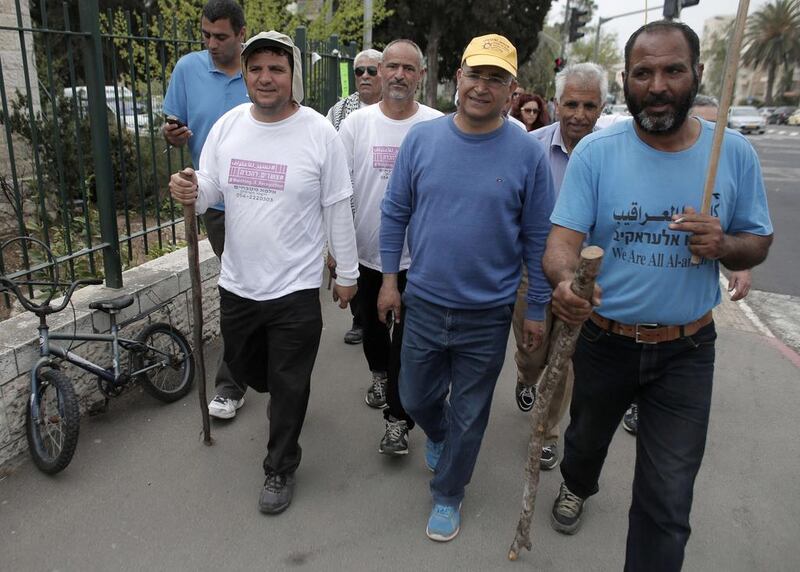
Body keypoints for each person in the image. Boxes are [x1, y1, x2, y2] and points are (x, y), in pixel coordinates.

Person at [544, 21, 773, 570]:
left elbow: (757, 242)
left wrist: (724, 244)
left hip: (687, 352)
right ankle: (577, 483)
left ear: (697, 73)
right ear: (626, 80)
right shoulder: (596, 153)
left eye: (673, 70)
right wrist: (562, 284)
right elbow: (561, 244)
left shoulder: (733, 153)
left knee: (669, 498)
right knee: (585, 443)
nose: (659, 84)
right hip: (604, 340)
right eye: (643, 73)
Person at [168, 31, 359, 515]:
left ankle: (280, 466)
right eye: (256, 69)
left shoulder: (319, 133)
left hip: (295, 287)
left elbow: (337, 205)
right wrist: (192, 188)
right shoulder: (229, 127)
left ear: (292, 75)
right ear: (246, 75)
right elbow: (212, 187)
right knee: (251, 368)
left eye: (276, 68)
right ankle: (277, 396)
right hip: (238, 283)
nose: (265, 78)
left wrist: (347, 272)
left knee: (290, 382)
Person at [379, 33, 555, 542]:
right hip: (425, 302)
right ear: (458, 78)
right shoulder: (422, 139)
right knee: (413, 395)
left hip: (488, 313)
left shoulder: (526, 154)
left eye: (496, 78)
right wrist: (389, 281)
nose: (483, 86)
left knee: (472, 411)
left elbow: (537, 238)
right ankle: (439, 433)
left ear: (512, 89)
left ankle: (449, 493)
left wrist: (537, 310)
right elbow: (395, 213)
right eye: (475, 74)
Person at [621, 92, 755, 436]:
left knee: (671, 477)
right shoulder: (629, 157)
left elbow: (748, 235)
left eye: (716, 124)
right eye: (703, 121)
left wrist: (730, 251)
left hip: (687, 341)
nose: (709, 130)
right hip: (613, 338)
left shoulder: (733, 156)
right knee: (586, 443)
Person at [337, 39, 442, 453]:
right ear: (379, 72)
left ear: (421, 75)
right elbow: (338, 192)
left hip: (421, 258)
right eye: (391, 66)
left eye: (408, 68)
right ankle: (379, 374)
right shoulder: (356, 125)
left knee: (409, 345)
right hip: (366, 253)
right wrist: (337, 252)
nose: (399, 74)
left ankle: (398, 419)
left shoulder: (436, 125)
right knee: (375, 333)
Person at [512, 63, 606, 472]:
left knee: (562, 358)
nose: (579, 114)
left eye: (589, 105)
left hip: (581, 280)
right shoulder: (528, 148)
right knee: (534, 354)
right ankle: (524, 377)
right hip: (531, 272)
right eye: (571, 103)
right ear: (556, 103)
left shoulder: (610, 154)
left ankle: (547, 432)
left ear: (601, 108)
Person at [162, 0, 250, 421]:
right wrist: (173, 134)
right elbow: (175, 133)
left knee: (263, 286)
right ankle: (231, 385)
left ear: (241, 34)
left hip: (268, 201)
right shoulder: (187, 69)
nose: (211, 44)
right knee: (235, 286)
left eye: (221, 37)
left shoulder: (261, 70)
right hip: (216, 203)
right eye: (206, 35)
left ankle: (262, 356)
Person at [326, 49, 384, 346]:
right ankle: (360, 321)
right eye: (359, 71)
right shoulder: (338, 112)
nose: (364, 76)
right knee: (355, 264)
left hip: (381, 200)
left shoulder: (395, 110)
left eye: (371, 71)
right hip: (348, 202)